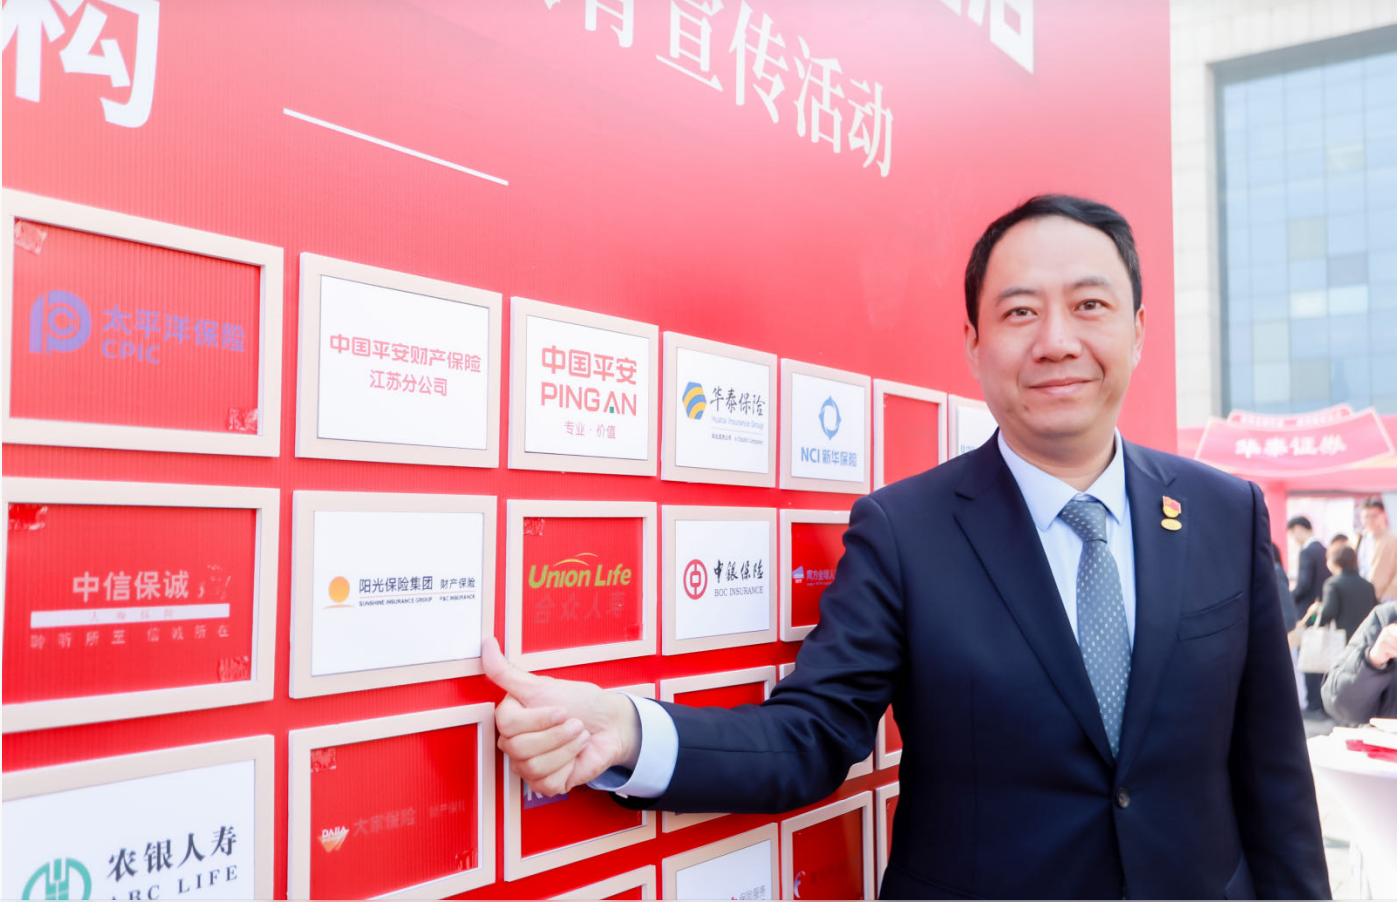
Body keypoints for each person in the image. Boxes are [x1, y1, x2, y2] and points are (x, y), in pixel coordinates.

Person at [484, 195, 1329, 899]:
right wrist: (630, 733)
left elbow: (1274, 775)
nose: (1055, 341)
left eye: (1089, 306)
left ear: (1137, 331)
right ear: (972, 344)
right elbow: (810, 736)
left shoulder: (1223, 511)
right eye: (1019, 312)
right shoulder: (905, 531)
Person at [1322, 601, 1397, 725]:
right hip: (1383, 736)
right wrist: (1373, 660)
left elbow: (1329, 610)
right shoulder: (1387, 617)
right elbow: (1339, 702)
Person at [1290, 515, 1329, 717]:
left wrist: (1290, 596)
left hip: (1308, 613)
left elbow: (1303, 585)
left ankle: (1313, 704)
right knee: (1323, 656)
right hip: (1325, 610)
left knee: (1309, 655)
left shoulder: (1307, 552)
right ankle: (1323, 702)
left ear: (1298, 528)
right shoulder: (1324, 549)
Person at [1318, 544, 1378, 639]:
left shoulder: (1332, 584)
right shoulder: (1368, 585)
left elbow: (1329, 612)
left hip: (1342, 639)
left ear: (1333, 562)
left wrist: (1316, 614)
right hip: (1366, 637)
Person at [1357, 498, 1397, 603]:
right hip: (1359, 596)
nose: (1370, 520)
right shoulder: (1357, 539)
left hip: (1382, 597)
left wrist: (1389, 595)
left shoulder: (1392, 540)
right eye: (1366, 516)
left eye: (1374, 516)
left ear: (1383, 515)